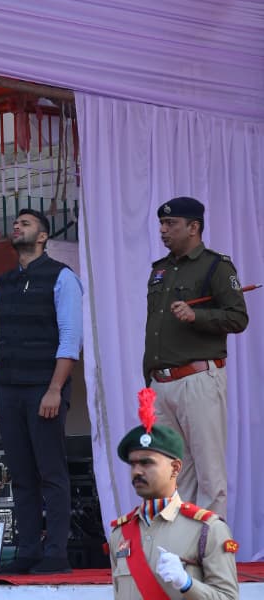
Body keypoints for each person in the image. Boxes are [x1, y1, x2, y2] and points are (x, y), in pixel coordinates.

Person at [0, 207, 83, 575]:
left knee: (50, 472)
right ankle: (27, 551)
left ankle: (56, 552)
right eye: (15, 222)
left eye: (25, 223)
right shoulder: (2, 283)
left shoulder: (62, 278)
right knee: (21, 474)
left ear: (42, 236)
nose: (16, 226)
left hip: (44, 387)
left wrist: (55, 389)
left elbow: (71, 338)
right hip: (8, 390)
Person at [144, 197, 248, 517]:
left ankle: (211, 555)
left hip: (198, 379)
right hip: (162, 384)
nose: (163, 230)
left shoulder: (216, 266)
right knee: (172, 475)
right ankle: (179, 557)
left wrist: (197, 316)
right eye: (162, 224)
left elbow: (238, 318)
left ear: (194, 227)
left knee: (209, 475)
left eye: (171, 224)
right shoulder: (160, 270)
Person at [109, 417, 238, 600]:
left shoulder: (208, 529)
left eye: (146, 463)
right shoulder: (120, 533)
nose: (137, 471)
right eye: (133, 464)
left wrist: (187, 584)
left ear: (175, 468)